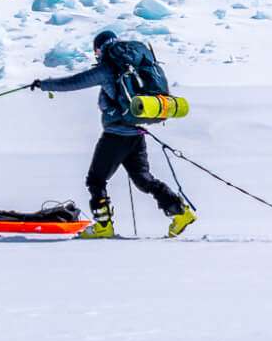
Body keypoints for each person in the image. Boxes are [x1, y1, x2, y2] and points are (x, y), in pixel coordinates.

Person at [33, 29, 196, 239]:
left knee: (96, 180)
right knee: (144, 179)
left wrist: (44, 84)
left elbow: (74, 82)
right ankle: (181, 213)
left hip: (116, 135)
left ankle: (103, 226)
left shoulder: (108, 68)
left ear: (99, 50)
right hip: (136, 132)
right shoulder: (133, 62)